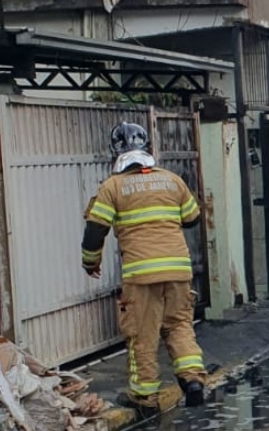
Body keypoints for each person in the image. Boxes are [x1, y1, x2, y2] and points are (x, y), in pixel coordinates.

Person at [80, 122, 207, 416]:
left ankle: (144, 397)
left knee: (142, 334)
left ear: (116, 151)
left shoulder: (112, 187)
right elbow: (192, 218)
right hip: (178, 270)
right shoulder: (172, 180)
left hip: (141, 274)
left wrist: (90, 262)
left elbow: (95, 230)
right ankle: (193, 381)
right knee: (179, 325)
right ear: (146, 147)